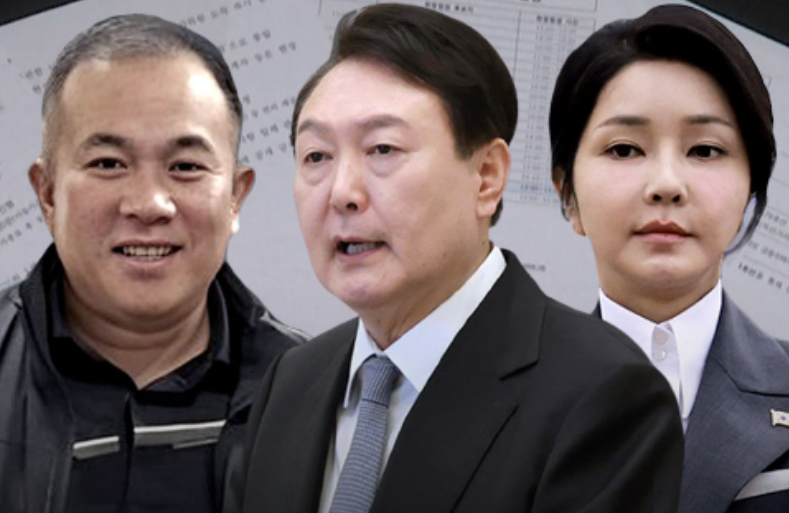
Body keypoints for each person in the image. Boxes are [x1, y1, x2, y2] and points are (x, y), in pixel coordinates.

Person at [227, 4, 683, 513]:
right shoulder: (288, 385)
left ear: (486, 176)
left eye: (382, 149)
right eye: (317, 156)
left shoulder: (604, 394)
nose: (342, 193)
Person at [0, 14, 305, 513]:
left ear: (235, 197)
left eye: (185, 166)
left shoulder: (312, 396)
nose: (148, 204)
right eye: (108, 164)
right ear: (48, 193)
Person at [550, 4, 788, 512]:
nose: (666, 185)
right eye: (624, 149)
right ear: (567, 193)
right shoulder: (491, 408)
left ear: (750, 192)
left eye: (704, 150)